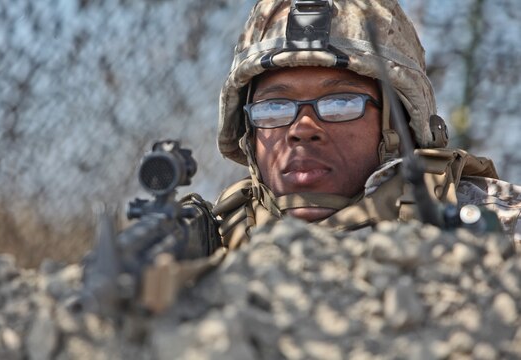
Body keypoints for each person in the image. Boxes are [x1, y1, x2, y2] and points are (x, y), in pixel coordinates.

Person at [140, 0, 521, 312]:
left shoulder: (493, 226)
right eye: (274, 107)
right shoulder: (201, 244)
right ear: (249, 133)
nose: (302, 127)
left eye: (341, 102)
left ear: (398, 124)